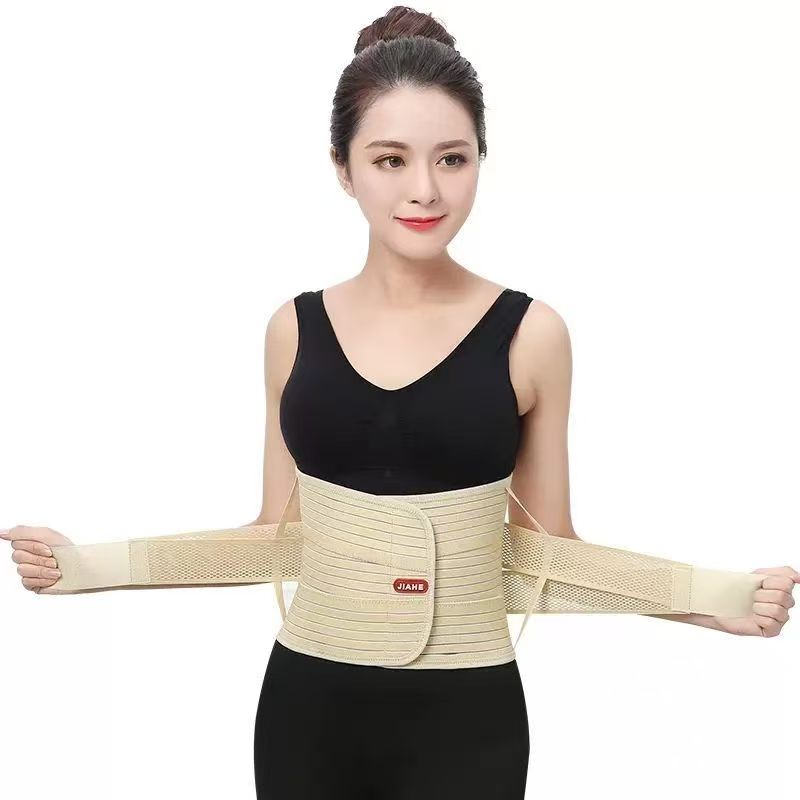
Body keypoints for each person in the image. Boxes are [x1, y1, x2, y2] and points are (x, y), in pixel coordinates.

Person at [3, 6, 798, 800]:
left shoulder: (532, 334)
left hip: (469, 720)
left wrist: (710, 603)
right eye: (390, 159)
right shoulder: (293, 330)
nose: (425, 189)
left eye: (452, 158)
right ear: (343, 168)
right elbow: (276, 541)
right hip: (309, 712)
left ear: (481, 159)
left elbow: (545, 556)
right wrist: (86, 567)